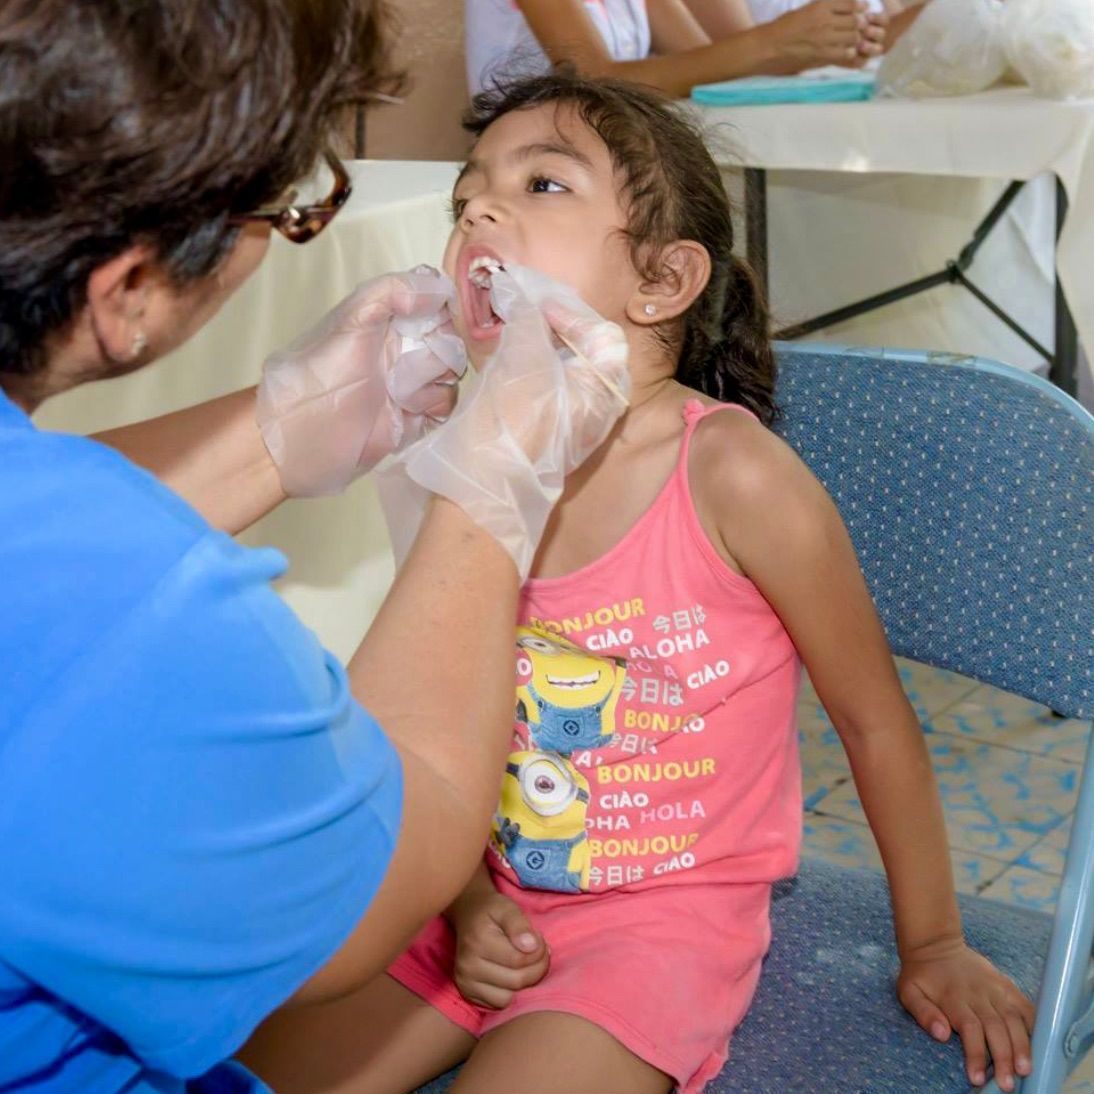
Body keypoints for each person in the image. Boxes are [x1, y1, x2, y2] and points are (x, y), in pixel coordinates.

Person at [242, 72, 1038, 1094]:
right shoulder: (458, 457)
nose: (479, 208)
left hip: (658, 922)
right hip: (477, 893)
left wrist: (931, 941)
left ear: (661, 282)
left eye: (541, 185)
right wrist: (457, 898)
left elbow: (874, 717)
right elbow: (433, 716)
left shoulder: (735, 477)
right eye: (466, 196)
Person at [0, 4, 629, 1091]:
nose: (480, 213)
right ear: (129, 289)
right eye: (284, 208)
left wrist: (272, 431)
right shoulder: (130, 611)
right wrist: (485, 497)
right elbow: (379, 877)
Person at [465, 0, 889, 98]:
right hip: (522, 172)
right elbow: (592, 79)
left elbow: (707, 66)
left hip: (589, 156)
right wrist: (775, 40)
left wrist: (813, 49)